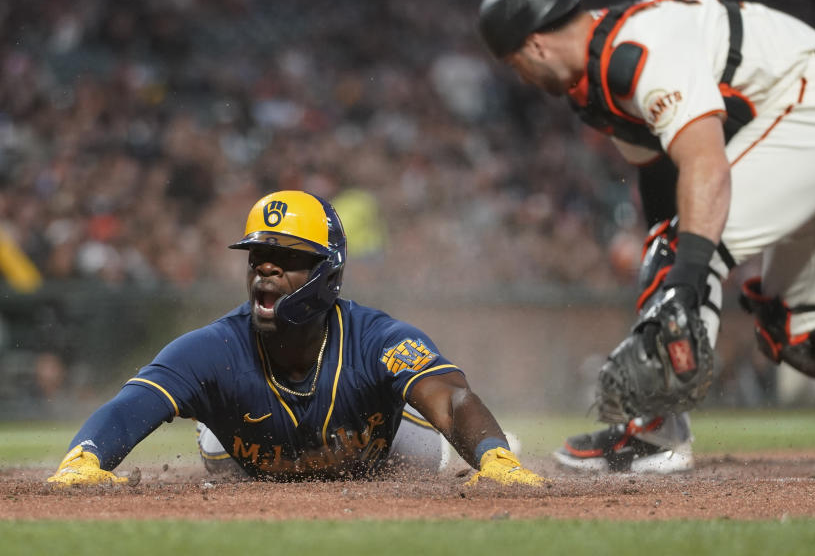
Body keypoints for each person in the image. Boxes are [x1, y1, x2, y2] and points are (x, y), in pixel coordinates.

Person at [477, 0, 815, 473]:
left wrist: (682, 276)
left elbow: (704, 162)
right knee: (802, 332)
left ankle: (654, 432)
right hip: (809, 114)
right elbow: (660, 179)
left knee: (684, 251)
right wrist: (661, 280)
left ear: (534, 46)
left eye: (515, 64)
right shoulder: (595, 80)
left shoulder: (637, 51)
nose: (521, 78)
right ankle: (655, 425)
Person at [48, 190, 543, 485]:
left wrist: (492, 457)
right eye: (258, 254)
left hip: (379, 453)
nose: (265, 265)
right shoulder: (212, 349)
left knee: (433, 457)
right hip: (247, 458)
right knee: (220, 455)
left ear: (328, 275)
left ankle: (497, 445)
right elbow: (132, 404)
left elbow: (452, 397)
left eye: (287, 256)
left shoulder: (378, 338)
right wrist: (84, 458)